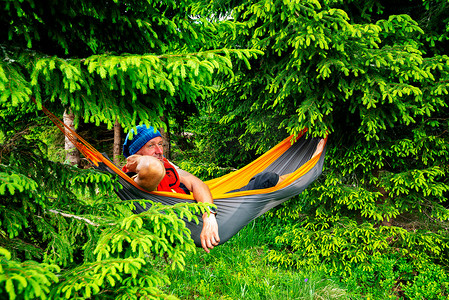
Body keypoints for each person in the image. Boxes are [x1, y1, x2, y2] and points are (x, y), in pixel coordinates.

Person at [122, 125, 219, 253]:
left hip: (194, 213)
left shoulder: (167, 165)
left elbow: (198, 184)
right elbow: (153, 168)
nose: (159, 151)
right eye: (151, 145)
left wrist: (209, 215)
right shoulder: (135, 177)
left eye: (160, 144)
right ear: (136, 153)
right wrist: (136, 160)